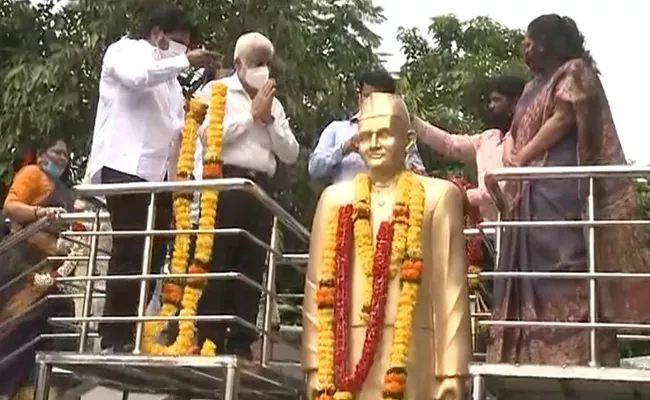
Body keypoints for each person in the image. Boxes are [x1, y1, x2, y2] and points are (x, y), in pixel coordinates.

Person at [487, 14, 650, 372]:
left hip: (559, 192)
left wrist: (524, 157)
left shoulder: (575, 72)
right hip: (526, 196)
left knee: (566, 271)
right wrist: (512, 153)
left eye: (528, 42)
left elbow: (562, 119)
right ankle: (528, 355)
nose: (524, 49)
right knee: (529, 278)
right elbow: (517, 130)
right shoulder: (531, 87)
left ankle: (579, 355)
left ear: (546, 42)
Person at [302, 93, 471, 399]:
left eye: (384, 135)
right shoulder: (335, 200)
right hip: (344, 352)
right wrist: (314, 365)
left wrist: (452, 370)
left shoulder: (438, 197)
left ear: (407, 139)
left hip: (414, 348)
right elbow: (316, 289)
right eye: (365, 136)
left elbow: (452, 289)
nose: (374, 144)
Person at [84, 6, 219, 353]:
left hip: (159, 178)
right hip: (125, 167)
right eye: (179, 44)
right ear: (158, 33)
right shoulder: (125, 51)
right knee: (131, 248)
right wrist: (186, 62)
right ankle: (113, 335)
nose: (183, 52)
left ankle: (131, 331)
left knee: (154, 254)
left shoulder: (172, 85)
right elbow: (136, 77)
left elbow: (176, 134)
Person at [193, 32, 300, 359]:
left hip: (260, 190)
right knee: (217, 262)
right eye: (256, 63)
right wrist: (250, 115)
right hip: (225, 184)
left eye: (266, 63)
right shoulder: (216, 91)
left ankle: (241, 343)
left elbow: (291, 153)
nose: (262, 69)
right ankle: (208, 338)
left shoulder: (275, 104)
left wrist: (268, 120)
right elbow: (209, 137)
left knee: (251, 268)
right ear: (238, 64)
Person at [0, 138, 77, 400]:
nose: (62, 159)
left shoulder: (64, 190)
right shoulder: (32, 174)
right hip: (19, 269)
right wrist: (39, 213)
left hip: (47, 271)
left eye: (65, 155)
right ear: (42, 154)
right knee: (16, 329)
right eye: (57, 152)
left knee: (57, 324)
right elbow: (10, 207)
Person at [411, 75, 526, 221]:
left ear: (515, 103)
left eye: (497, 100)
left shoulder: (525, 139)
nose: (491, 106)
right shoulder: (489, 137)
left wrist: (463, 196)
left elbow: (504, 188)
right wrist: (413, 122)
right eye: (491, 101)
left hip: (517, 228)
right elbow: (449, 144)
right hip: (488, 232)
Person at [308, 70, 425, 183]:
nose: (371, 103)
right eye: (367, 96)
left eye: (379, 98)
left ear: (391, 100)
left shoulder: (400, 134)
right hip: (345, 202)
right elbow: (314, 169)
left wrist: (396, 156)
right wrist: (344, 149)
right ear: (359, 97)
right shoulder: (337, 129)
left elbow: (419, 175)